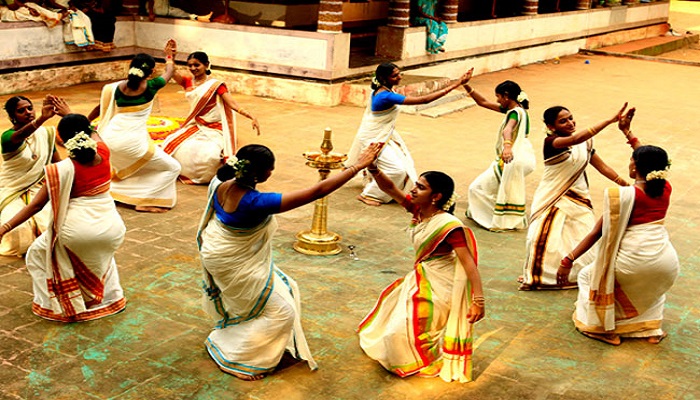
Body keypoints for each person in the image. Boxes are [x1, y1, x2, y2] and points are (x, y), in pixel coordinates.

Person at [197, 142, 382, 380]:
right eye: (270, 169)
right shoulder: (255, 202)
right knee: (282, 313)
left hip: (218, 253)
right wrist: (358, 166)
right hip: (232, 261)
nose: (271, 173)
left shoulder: (219, 183)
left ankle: (239, 339)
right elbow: (317, 191)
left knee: (286, 286)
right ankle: (239, 357)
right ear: (258, 173)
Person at [559, 112, 678, 345]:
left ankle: (603, 328)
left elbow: (596, 233)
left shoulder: (623, 196)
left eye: (632, 161)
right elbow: (649, 159)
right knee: (652, 287)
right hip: (667, 262)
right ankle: (649, 330)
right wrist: (628, 133)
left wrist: (568, 260)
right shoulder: (665, 188)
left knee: (587, 276)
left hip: (634, 262)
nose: (629, 163)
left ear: (636, 167)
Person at [357, 167, 485, 382]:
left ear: (436, 197)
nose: (413, 190)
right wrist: (373, 168)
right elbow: (390, 188)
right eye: (416, 185)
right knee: (389, 333)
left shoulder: (449, 226)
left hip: (442, 285)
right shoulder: (418, 210)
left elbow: (469, 265)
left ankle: (427, 358)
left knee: (397, 333)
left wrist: (478, 301)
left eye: (421, 187)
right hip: (422, 276)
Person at [0, 114, 127, 321]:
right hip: (113, 229)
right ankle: (110, 300)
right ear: (88, 134)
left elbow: (36, 206)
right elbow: (93, 132)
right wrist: (69, 114)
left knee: (37, 254)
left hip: (76, 233)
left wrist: (4, 228)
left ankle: (59, 306)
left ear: (61, 138)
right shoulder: (104, 152)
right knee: (103, 257)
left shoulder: (59, 170)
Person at [520, 103, 630, 290]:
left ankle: (578, 275)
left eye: (571, 118)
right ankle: (541, 275)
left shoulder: (586, 144)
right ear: (551, 127)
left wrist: (625, 184)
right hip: (553, 195)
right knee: (545, 237)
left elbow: (602, 166)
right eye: (563, 121)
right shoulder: (552, 143)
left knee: (582, 234)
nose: (570, 123)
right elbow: (578, 137)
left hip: (578, 195)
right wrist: (609, 120)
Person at [346, 62, 472, 206]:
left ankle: (381, 187)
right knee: (397, 170)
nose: (399, 77)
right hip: (374, 137)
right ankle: (369, 194)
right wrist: (457, 84)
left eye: (399, 73)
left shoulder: (385, 89)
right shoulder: (385, 96)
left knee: (402, 164)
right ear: (383, 77)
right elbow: (424, 100)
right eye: (395, 76)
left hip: (383, 134)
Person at [89, 41, 181, 212]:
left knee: (133, 167)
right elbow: (170, 71)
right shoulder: (152, 86)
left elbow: (99, 109)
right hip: (131, 143)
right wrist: (169, 56)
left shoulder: (114, 88)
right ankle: (143, 201)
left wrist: (85, 122)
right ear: (151, 72)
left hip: (108, 138)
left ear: (130, 68)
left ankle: (115, 192)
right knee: (173, 167)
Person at [162, 51, 260, 184]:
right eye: (190, 65)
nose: (193, 68)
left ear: (206, 65)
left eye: (197, 65)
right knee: (171, 143)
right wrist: (170, 57)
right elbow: (171, 72)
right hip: (195, 125)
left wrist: (251, 116)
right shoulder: (187, 82)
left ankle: (213, 176)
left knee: (210, 155)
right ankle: (179, 172)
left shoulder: (215, 85)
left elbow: (232, 103)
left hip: (214, 127)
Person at [0, 95, 70, 256]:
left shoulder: (46, 134)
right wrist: (41, 119)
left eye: (30, 108)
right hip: (11, 190)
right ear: (12, 117)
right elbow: (21, 135)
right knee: (17, 234)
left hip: (39, 187)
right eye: (21, 111)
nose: (28, 112)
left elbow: (57, 164)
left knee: (49, 226)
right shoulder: (7, 137)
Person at [463, 80, 536, 231]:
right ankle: (499, 216)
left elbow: (507, 130)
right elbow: (483, 102)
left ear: (507, 96)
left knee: (475, 188)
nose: (497, 100)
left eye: (499, 97)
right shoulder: (516, 109)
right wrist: (467, 86)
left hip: (513, 158)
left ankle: (497, 219)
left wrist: (507, 146)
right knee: (496, 189)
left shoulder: (515, 113)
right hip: (524, 157)